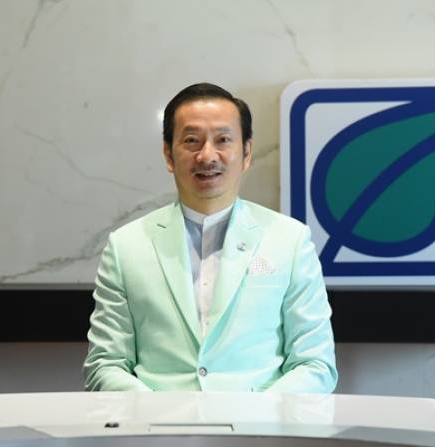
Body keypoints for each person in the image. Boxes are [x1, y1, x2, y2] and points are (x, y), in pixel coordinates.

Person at [84, 83, 337, 393]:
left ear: (246, 153)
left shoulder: (290, 240)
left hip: (260, 422)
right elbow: (105, 364)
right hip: (157, 421)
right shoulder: (126, 246)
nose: (207, 155)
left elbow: (315, 364)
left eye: (223, 140)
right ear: (168, 154)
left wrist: (262, 416)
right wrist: (155, 414)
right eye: (192, 140)